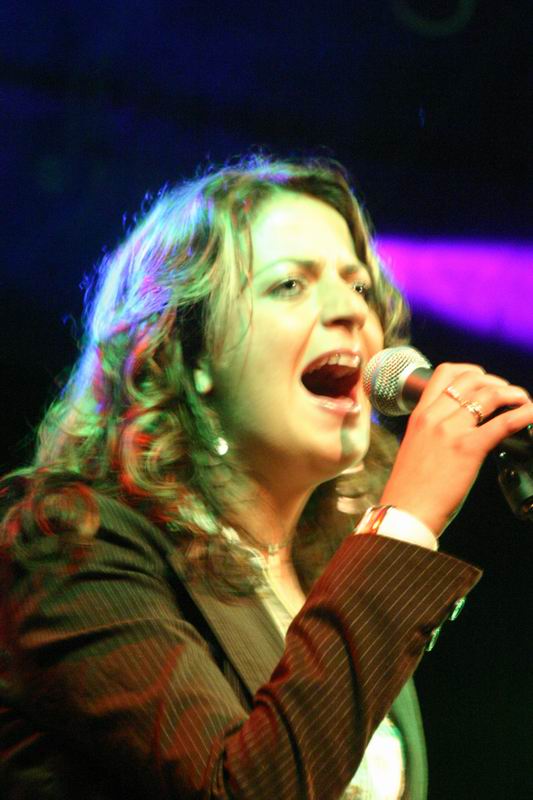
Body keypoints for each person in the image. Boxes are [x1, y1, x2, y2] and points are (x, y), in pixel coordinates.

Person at [0, 155, 531, 800]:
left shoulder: (334, 574)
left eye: (359, 287)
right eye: (290, 285)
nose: (350, 312)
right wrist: (408, 519)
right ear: (190, 352)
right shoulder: (68, 544)